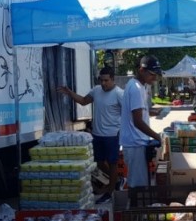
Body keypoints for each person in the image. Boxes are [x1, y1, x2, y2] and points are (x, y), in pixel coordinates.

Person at [57, 66, 123, 203]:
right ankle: (116, 180)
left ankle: (110, 192)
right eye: (101, 80)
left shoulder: (119, 94)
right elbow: (83, 101)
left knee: (112, 163)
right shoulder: (96, 90)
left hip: (112, 135)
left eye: (106, 80)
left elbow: (128, 113)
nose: (103, 83)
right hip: (97, 134)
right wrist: (70, 93)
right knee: (98, 162)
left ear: (113, 79)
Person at [120, 55, 163, 188]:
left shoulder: (141, 87)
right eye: (152, 74)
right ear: (141, 70)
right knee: (138, 186)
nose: (155, 78)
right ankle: (135, 208)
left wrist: (152, 112)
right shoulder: (136, 89)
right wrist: (157, 136)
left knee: (141, 183)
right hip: (135, 143)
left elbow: (138, 111)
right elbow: (137, 121)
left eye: (156, 74)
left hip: (137, 142)